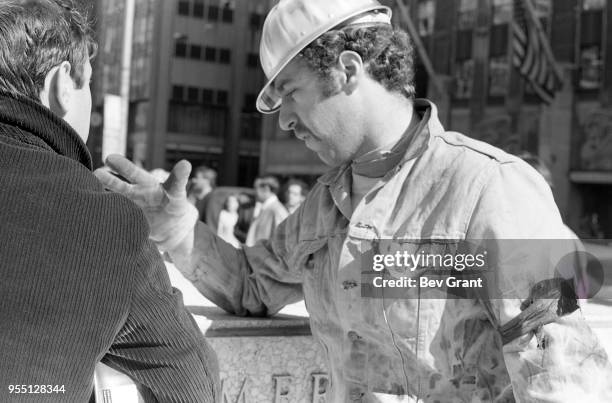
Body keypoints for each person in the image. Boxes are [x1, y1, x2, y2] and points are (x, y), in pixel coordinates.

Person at [95, 0, 612, 401]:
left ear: (346, 68)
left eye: (291, 93)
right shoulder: (326, 204)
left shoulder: (488, 188)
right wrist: (179, 228)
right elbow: (252, 286)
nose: (286, 121)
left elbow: (562, 378)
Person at [0, 1, 219, 402]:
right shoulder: (101, 221)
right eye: (90, 86)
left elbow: (262, 282)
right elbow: (191, 385)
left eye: (288, 91)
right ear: (63, 84)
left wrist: (182, 234)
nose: (287, 118)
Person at [245, 176, 288, 246]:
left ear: (266, 189)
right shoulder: (267, 208)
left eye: (256, 188)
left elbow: (282, 242)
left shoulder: (276, 210)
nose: (254, 192)